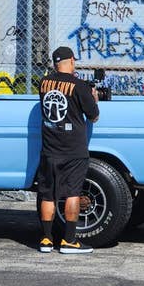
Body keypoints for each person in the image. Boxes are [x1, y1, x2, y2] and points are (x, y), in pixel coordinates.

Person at [37, 46, 99, 254]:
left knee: (47, 194)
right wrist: (94, 98)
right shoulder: (79, 86)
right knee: (72, 193)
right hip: (72, 149)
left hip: (49, 148)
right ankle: (69, 240)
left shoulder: (43, 83)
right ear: (71, 61)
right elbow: (93, 116)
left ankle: (46, 239)